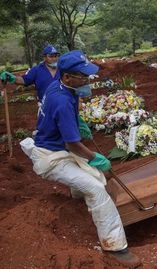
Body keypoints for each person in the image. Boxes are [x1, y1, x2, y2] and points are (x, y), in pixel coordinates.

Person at [19, 50, 142, 268]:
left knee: (89, 175)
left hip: (56, 147)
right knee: (96, 187)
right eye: (83, 76)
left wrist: (77, 123)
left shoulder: (60, 87)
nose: (88, 81)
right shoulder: (62, 101)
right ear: (67, 77)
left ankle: (78, 199)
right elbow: (71, 144)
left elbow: (67, 124)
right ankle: (115, 246)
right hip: (52, 157)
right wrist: (96, 157)